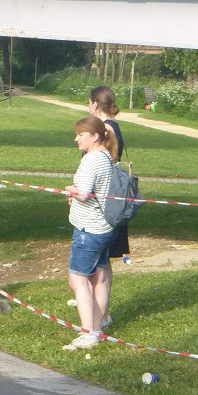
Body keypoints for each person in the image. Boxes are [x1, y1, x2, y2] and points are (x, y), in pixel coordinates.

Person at [61, 115, 118, 351]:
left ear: (94, 136)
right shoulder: (106, 156)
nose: (77, 139)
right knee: (99, 276)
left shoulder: (92, 160)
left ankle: (88, 333)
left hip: (89, 229)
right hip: (105, 227)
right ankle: (97, 327)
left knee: (78, 279)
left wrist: (69, 190)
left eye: (80, 134)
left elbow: (83, 193)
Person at [88, 85, 126, 328]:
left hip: (102, 202)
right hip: (109, 200)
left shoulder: (106, 129)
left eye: (88, 103)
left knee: (99, 260)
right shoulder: (115, 127)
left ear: (94, 104)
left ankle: (101, 315)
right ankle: (103, 311)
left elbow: (102, 166)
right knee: (104, 260)